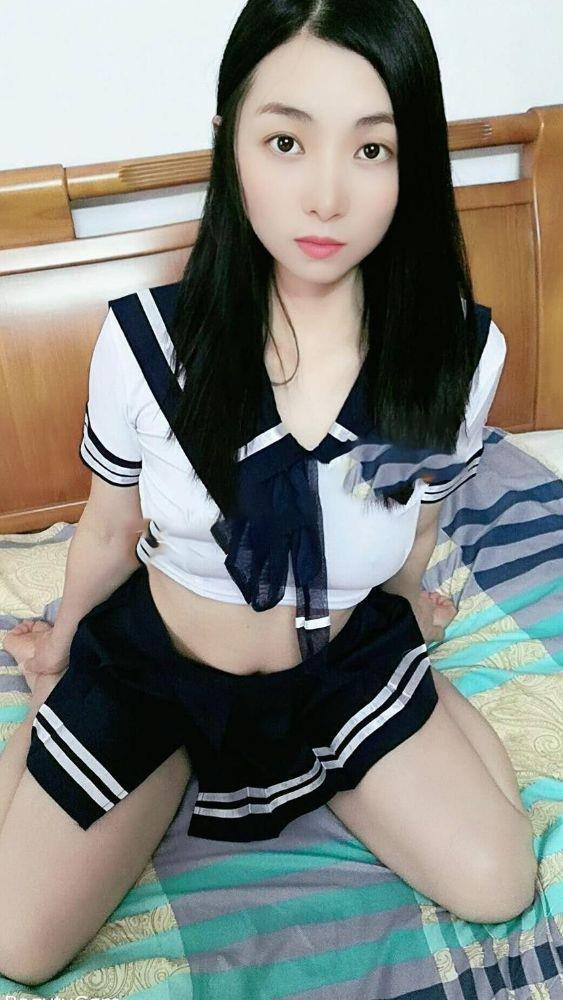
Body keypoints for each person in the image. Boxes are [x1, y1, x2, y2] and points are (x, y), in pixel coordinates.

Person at [0, 0, 536, 986]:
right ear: (230, 141)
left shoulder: (454, 355)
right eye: (286, 141)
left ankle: (416, 677)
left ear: (412, 160)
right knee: (16, 943)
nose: (325, 197)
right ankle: (61, 704)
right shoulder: (147, 344)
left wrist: (407, 610)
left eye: (371, 149)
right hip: (162, 664)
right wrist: (65, 641)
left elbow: (416, 522)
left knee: (500, 883)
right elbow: (111, 528)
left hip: (337, 667)